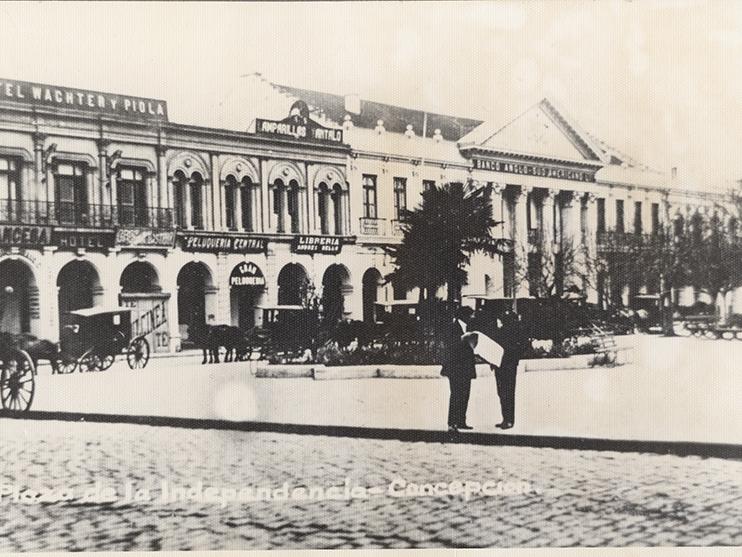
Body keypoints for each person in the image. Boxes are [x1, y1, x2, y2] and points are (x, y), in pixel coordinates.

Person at [440, 305, 477, 432]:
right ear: (464, 316)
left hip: (466, 367)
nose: (473, 317)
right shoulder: (452, 327)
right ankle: (452, 423)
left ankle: (461, 421)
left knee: (465, 394)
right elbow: (449, 346)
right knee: (456, 394)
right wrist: (462, 339)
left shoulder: (469, 328)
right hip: (455, 367)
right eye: (471, 315)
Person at [492, 310, 528, 430]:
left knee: (507, 392)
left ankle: (509, 420)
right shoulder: (500, 331)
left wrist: (514, 356)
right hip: (500, 365)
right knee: (502, 392)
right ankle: (505, 419)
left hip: (508, 365)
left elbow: (523, 346)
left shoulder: (516, 332)